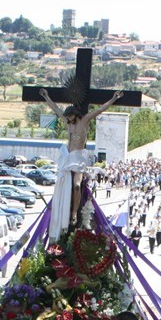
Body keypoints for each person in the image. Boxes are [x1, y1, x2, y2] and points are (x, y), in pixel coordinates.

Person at [40, 88, 123, 235]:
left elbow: (101, 109)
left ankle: (73, 213)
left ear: (75, 115)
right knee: (62, 184)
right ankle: (62, 211)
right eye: (68, 118)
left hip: (78, 157)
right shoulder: (68, 123)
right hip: (68, 157)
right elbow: (56, 109)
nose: (69, 120)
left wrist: (113, 99)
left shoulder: (84, 121)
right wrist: (46, 97)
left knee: (77, 186)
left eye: (71, 117)